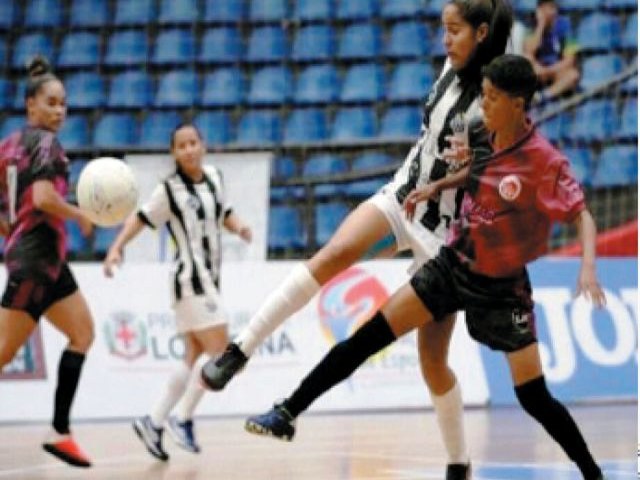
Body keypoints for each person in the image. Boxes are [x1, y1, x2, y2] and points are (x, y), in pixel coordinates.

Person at [244, 55, 607, 480]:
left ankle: (592, 473)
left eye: (491, 97)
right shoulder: (481, 130)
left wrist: (588, 268)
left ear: (518, 103)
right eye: (482, 94)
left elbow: (582, 214)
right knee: (368, 336)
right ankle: (288, 410)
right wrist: (437, 184)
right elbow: (478, 169)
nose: (483, 103)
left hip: (503, 288)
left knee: (532, 397)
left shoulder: (543, 161)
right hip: (454, 263)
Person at [202, 1, 513, 478]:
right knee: (332, 255)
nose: (445, 40)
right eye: (443, 30)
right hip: (403, 197)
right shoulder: (450, 69)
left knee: (433, 363)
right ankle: (239, 349)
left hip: (446, 239)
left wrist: (476, 160)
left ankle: (458, 462)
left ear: (482, 32)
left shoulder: (497, 98)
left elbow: (502, 175)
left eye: (454, 31)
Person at [103, 123, 252, 461]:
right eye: (181, 145)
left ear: (203, 145)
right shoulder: (169, 190)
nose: (188, 149)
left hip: (210, 280)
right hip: (190, 280)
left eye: (193, 142)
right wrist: (116, 248)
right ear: (174, 152)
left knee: (193, 356)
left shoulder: (214, 176)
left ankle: (153, 421)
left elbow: (224, 212)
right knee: (227, 359)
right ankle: (181, 418)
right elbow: (139, 219)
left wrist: (239, 226)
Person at [0, 56, 94, 468]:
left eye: (63, 104)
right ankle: (60, 430)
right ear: (31, 105)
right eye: (51, 103)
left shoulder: (8, 145)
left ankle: (60, 431)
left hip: (42, 259)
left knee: (83, 332)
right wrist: (81, 214)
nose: (59, 111)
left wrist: (10, 234)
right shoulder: (47, 144)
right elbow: (41, 199)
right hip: (38, 259)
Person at [524, 0, 580, 102]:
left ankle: (543, 96)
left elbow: (570, 59)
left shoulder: (566, 25)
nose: (552, 12)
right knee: (526, 61)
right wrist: (540, 25)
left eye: (553, 7)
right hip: (538, 72)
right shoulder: (532, 25)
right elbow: (529, 51)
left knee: (573, 75)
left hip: (556, 70)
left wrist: (549, 71)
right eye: (548, 8)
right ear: (539, 10)